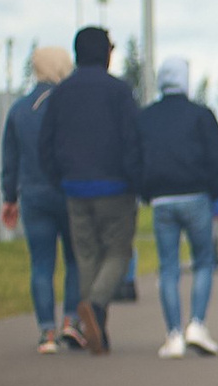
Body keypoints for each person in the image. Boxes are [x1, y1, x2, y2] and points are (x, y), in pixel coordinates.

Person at [36, 24, 144, 355]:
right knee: (118, 252)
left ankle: (97, 328)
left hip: (74, 187)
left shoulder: (62, 92)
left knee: (86, 257)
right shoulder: (119, 91)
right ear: (104, 52)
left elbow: (46, 143)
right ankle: (95, 308)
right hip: (115, 186)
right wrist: (136, 181)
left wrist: (60, 179)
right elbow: (132, 139)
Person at [138, 56, 218, 359]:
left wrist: (146, 192)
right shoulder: (201, 115)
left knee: (168, 267)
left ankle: (173, 333)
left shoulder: (147, 117)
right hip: (196, 195)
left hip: (162, 199)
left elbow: (135, 157)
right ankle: (197, 324)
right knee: (203, 261)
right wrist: (213, 190)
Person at [1, 44, 86, 352]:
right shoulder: (72, 105)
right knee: (75, 260)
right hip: (69, 192)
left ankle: (46, 333)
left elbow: (10, 160)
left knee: (41, 264)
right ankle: (71, 320)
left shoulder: (19, 110)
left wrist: (9, 198)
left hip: (33, 194)